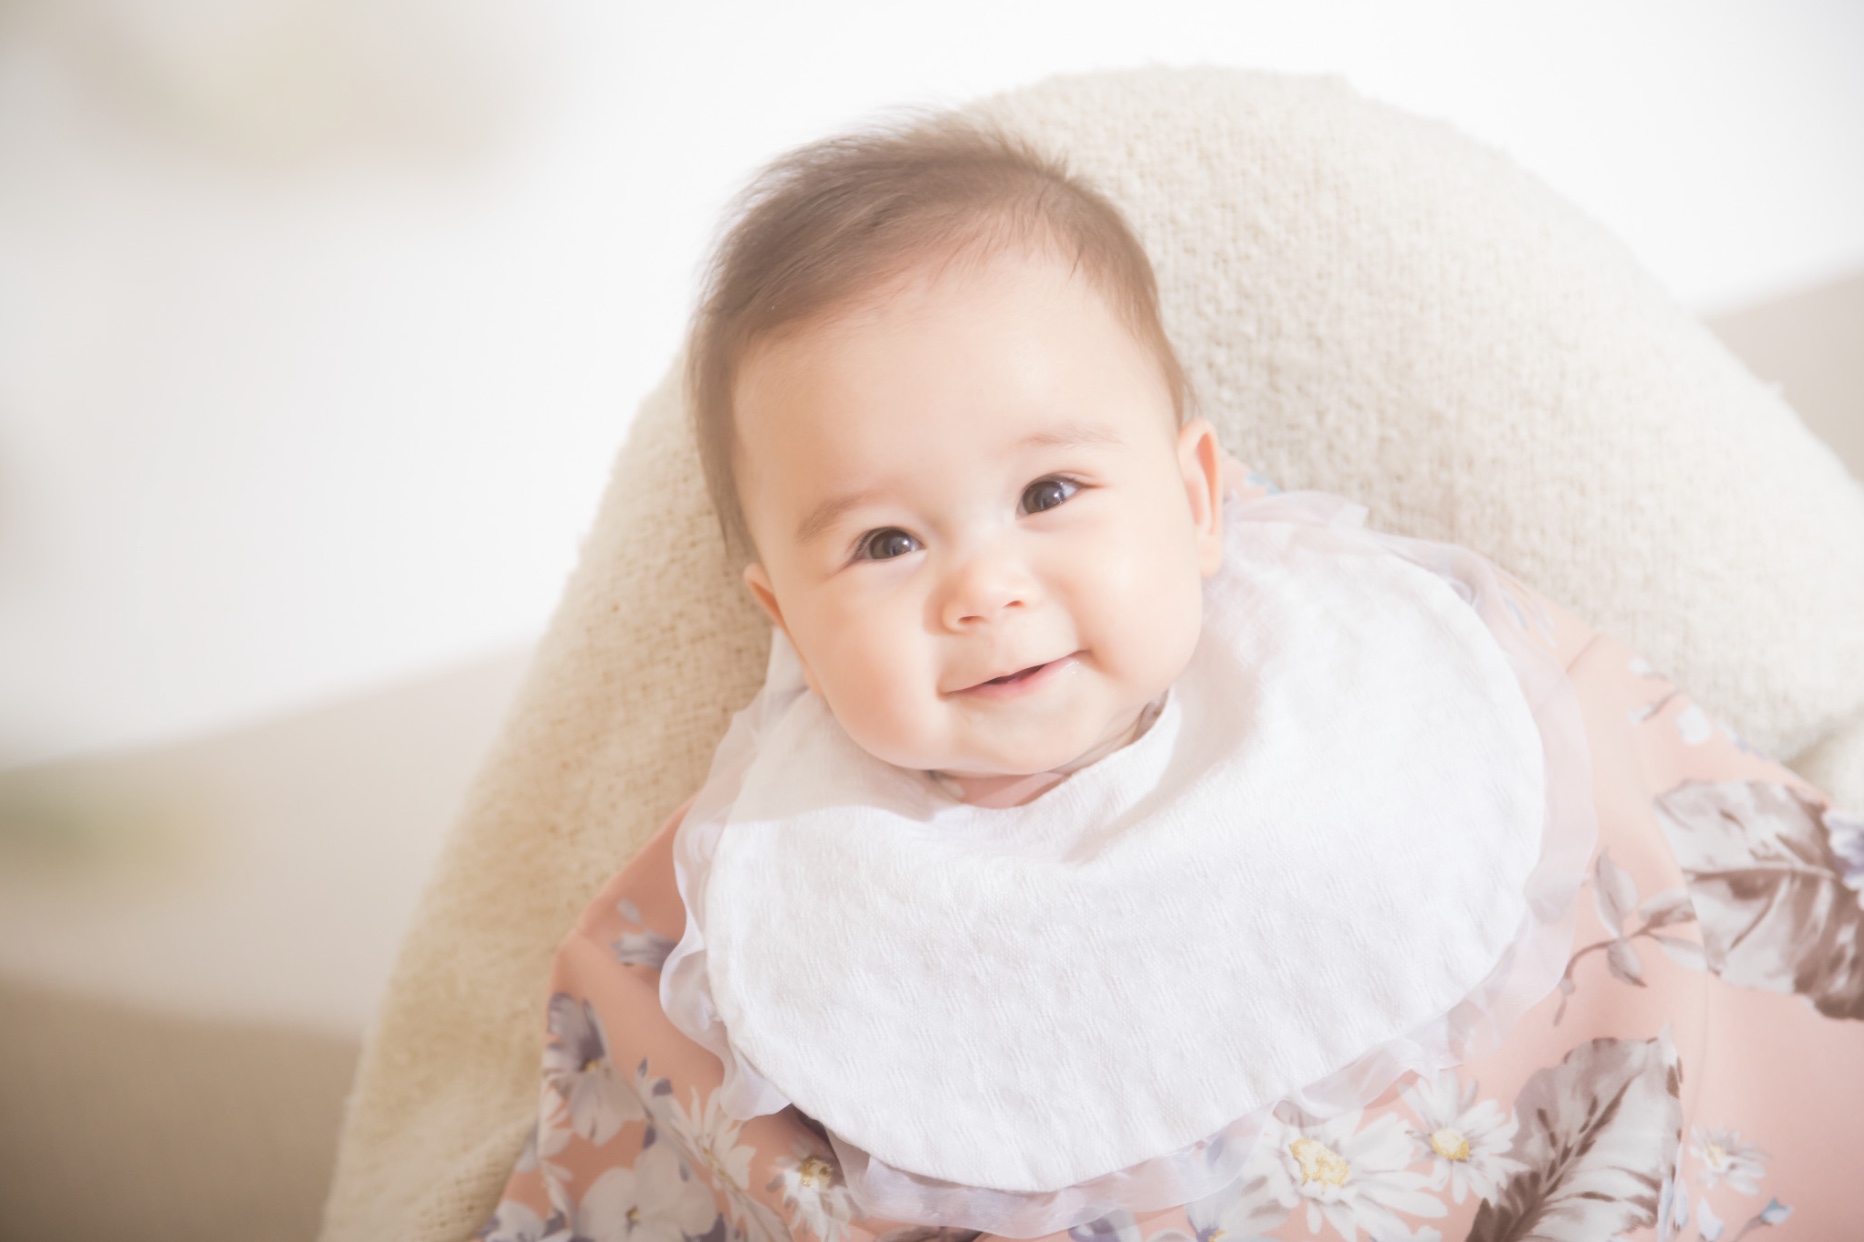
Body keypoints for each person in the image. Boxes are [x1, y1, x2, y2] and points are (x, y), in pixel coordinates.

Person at [481, 117, 1863, 1242]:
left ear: (1196, 499)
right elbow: (640, 1092)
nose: (986, 588)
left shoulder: (1382, 660)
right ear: (785, 615)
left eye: (1050, 491)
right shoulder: (764, 886)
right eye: (886, 543)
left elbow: (1656, 827)